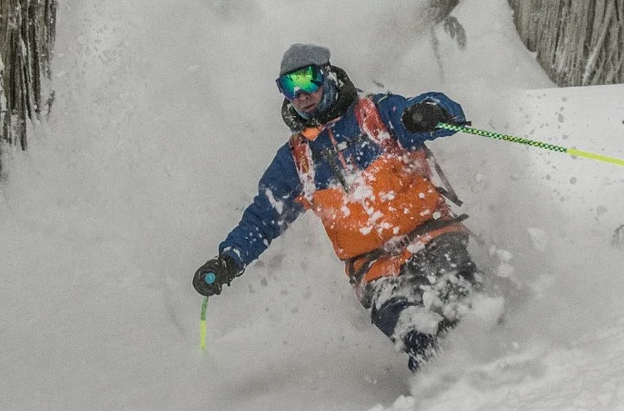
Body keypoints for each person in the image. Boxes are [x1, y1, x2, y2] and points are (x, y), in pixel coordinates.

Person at [192, 43, 478, 371]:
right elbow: (264, 217)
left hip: (431, 236)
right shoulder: (297, 160)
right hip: (374, 267)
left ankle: (509, 364)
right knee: (415, 332)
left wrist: (429, 113)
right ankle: (444, 388)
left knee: (462, 299)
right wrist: (229, 260)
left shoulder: (375, 115)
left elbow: (438, 111)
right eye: (289, 86)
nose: (300, 93)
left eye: (307, 79)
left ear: (327, 75)